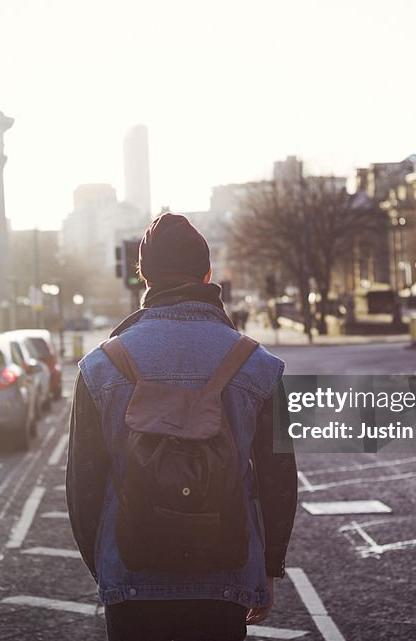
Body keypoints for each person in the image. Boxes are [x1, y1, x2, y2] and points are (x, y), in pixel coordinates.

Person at [67, 213, 298, 641]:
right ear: (207, 274)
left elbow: (83, 486)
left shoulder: (100, 367)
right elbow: (278, 479)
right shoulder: (258, 364)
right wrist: (267, 570)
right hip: (225, 577)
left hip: (132, 576)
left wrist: (107, 565)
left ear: (144, 278)